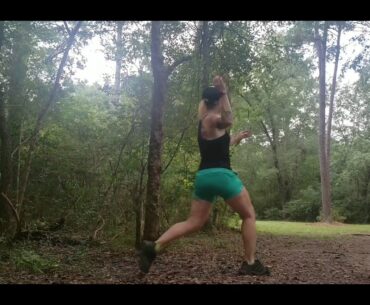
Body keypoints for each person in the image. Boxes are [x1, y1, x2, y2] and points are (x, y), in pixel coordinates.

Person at [139, 75, 270, 276]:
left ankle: (154, 247)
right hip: (222, 176)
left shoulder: (204, 123)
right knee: (249, 215)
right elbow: (228, 119)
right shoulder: (213, 118)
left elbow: (220, 145)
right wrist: (225, 91)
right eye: (222, 99)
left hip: (204, 177)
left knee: (194, 222)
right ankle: (250, 262)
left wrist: (237, 138)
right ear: (217, 101)